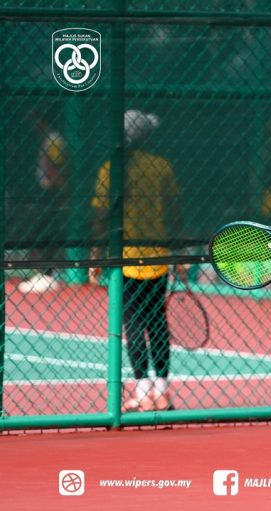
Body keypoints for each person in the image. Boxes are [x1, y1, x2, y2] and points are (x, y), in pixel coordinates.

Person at [90, 110, 181, 412]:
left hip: (125, 260)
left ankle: (143, 391)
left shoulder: (109, 170)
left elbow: (100, 216)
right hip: (157, 257)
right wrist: (178, 252)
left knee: (133, 323)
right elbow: (175, 211)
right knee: (157, 323)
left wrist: (96, 257)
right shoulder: (161, 167)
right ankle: (163, 390)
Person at [18, 110, 69, 293]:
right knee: (41, 233)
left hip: (52, 194)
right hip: (49, 193)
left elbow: (58, 170)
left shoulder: (54, 140)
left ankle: (47, 274)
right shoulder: (50, 138)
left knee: (43, 234)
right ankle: (46, 273)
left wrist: (62, 192)